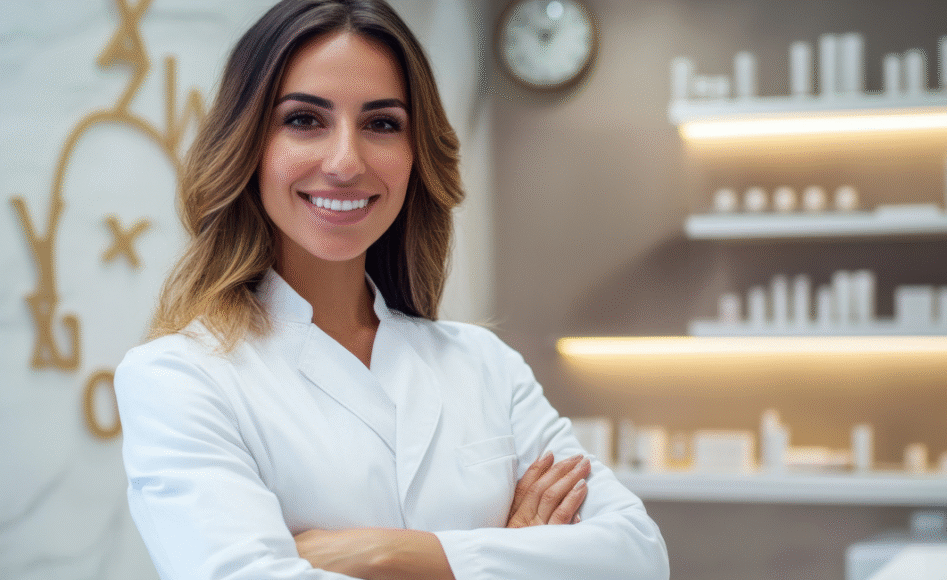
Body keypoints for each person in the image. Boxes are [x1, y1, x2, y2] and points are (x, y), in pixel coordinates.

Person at [114, 1, 670, 579]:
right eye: (305, 119)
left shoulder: (485, 367)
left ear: (414, 153)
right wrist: (516, 554)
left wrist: (391, 555)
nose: (345, 162)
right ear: (249, 144)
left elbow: (637, 555)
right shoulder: (178, 379)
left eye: (382, 123)